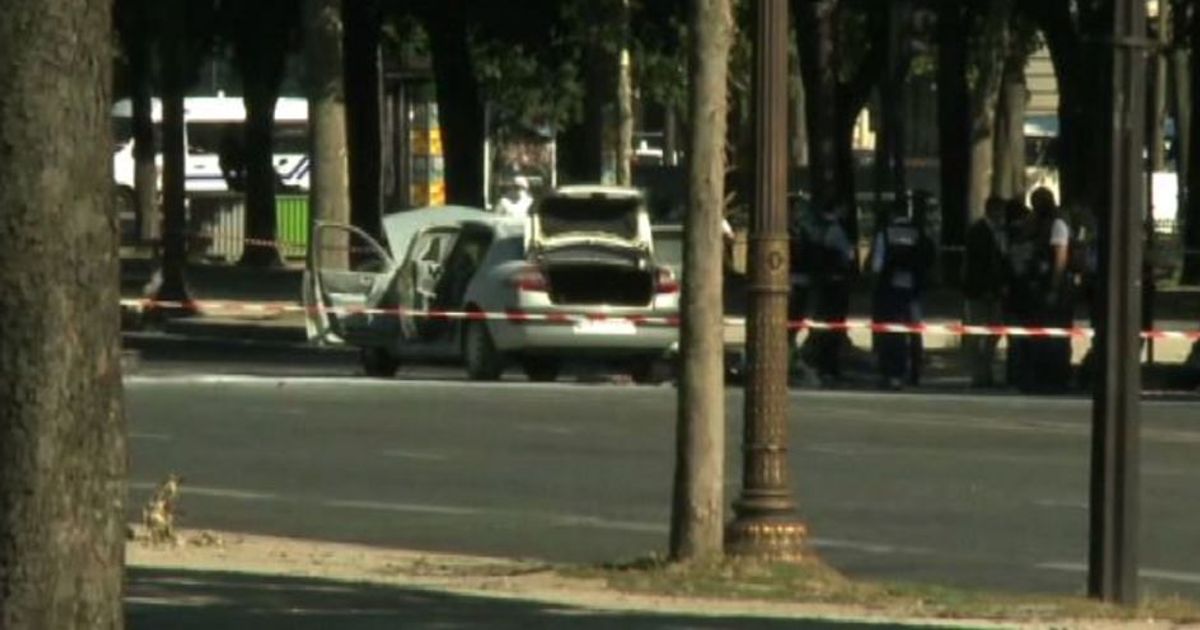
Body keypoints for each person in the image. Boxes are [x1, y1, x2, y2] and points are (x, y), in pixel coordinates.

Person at [870, 194, 934, 390]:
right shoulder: (918, 232)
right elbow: (927, 258)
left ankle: (891, 373)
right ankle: (914, 372)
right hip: (912, 290)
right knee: (914, 330)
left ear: (892, 213)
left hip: (890, 290)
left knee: (891, 332)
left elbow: (877, 265)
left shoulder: (885, 233)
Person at [1028, 187, 1073, 392]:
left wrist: (1054, 287)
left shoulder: (1058, 224)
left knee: (1057, 334)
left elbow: (1060, 257)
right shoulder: (1039, 225)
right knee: (1042, 333)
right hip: (1042, 285)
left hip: (1056, 287)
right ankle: (1041, 376)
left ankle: (1057, 377)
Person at [962, 197, 1008, 387]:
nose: (1002, 216)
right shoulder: (977, 232)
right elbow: (976, 265)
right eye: (999, 212)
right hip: (978, 291)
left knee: (995, 330)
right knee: (976, 332)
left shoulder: (1001, 232)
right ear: (991, 211)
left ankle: (986, 369)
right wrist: (984, 288)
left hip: (996, 291)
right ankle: (978, 375)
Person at [809, 204, 856, 386]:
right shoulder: (836, 230)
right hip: (836, 284)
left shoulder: (816, 228)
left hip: (822, 283)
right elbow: (848, 255)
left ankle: (824, 365)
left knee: (823, 324)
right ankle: (829, 367)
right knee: (834, 325)